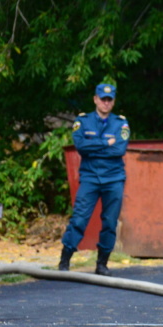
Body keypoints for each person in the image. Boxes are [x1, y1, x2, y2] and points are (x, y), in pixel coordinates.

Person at [59, 83, 130, 276]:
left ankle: (102, 264)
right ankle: (65, 260)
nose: (106, 103)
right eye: (103, 99)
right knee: (80, 219)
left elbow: (119, 150)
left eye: (109, 100)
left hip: (114, 179)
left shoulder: (121, 123)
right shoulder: (83, 121)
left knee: (109, 222)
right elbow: (81, 147)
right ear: (95, 99)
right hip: (90, 178)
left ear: (113, 101)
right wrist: (106, 142)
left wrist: (95, 146)